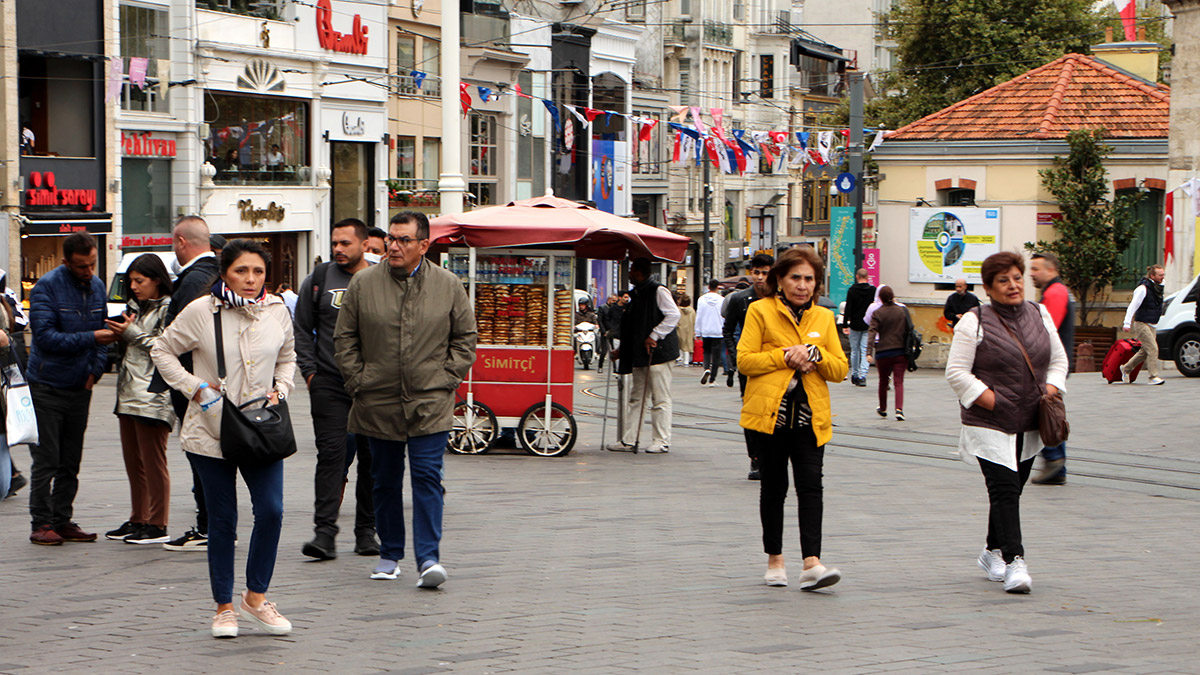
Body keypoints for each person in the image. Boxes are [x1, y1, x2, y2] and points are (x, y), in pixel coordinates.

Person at [152, 238, 296, 638]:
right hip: (210, 430)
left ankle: (255, 597)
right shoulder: (201, 310)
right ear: (225, 271)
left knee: (271, 510)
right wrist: (195, 387)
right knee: (223, 519)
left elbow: (288, 357)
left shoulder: (277, 310)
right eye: (241, 271)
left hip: (261, 427)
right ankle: (224, 607)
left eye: (258, 272)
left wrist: (281, 389)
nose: (250, 280)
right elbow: (162, 350)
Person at [334, 211, 477, 586]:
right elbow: (344, 338)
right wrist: (358, 380)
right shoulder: (364, 284)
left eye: (403, 241)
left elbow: (465, 338)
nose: (393, 247)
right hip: (376, 400)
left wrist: (446, 379)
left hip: (430, 400)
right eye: (391, 240)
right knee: (384, 479)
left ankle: (428, 558)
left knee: (428, 477)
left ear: (424, 245)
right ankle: (389, 554)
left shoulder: (448, 285)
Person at [945, 251, 1068, 594]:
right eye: (1003, 280)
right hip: (989, 422)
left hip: (1030, 419)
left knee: (1012, 488)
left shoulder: (1039, 313)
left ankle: (991, 551)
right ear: (988, 288)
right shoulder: (974, 321)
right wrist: (992, 400)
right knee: (1003, 487)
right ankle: (1015, 561)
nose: (1013, 285)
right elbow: (956, 372)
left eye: (1017, 278)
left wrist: (1051, 388)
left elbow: (1058, 359)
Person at [737, 246, 848, 590]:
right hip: (770, 416)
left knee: (811, 487)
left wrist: (814, 353)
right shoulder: (760, 311)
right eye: (795, 278)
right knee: (773, 488)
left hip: (810, 417)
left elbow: (840, 369)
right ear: (780, 280)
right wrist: (786, 356)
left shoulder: (824, 318)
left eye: (809, 279)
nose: (802, 285)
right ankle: (775, 560)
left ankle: (812, 562)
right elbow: (745, 360)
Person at [26, 233, 117, 546]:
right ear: (66, 262)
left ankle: (62, 519)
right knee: (47, 458)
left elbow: (104, 331)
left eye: (92, 264)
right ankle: (41, 522)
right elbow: (46, 338)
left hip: (80, 385)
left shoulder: (97, 287)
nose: (89, 272)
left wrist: (95, 370)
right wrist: (93, 339)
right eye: (81, 267)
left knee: (71, 460)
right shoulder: (47, 287)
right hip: (47, 385)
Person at [296, 218, 378, 560]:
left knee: (372, 461)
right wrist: (311, 374)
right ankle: (324, 534)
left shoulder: (380, 279)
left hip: (374, 387)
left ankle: (367, 533)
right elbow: (301, 328)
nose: (338, 249)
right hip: (329, 384)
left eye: (345, 243)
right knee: (332, 457)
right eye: (335, 243)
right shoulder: (319, 279)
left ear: (363, 244)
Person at [158, 216, 222, 552]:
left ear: (181, 241)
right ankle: (215, 524)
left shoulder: (194, 279)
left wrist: (185, 383)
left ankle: (210, 526)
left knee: (202, 452)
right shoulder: (216, 273)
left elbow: (178, 341)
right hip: (214, 379)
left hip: (196, 384)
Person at [103, 254, 176, 545]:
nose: (133, 286)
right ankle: (139, 517)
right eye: (130, 281)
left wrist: (131, 332)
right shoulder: (138, 307)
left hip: (153, 395)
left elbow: (165, 346)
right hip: (128, 393)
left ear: (156, 279)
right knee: (134, 462)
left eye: (139, 281)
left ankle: (158, 523)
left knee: (153, 462)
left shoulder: (169, 307)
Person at [606, 258, 680, 454]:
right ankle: (629, 439)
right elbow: (632, 327)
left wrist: (655, 335)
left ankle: (661, 440)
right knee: (637, 397)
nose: (629, 273)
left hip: (659, 354)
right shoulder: (636, 294)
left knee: (660, 398)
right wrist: (622, 350)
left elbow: (673, 314)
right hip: (640, 354)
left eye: (631, 270)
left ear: (639, 271)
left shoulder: (658, 290)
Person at [722, 253, 774, 481]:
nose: (760, 277)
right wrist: (736, 357)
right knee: (752, 411)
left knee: (773, 410)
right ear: (751, 273)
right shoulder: (740, 299)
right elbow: (728, 330)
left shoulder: (779, 298)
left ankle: (772, 457)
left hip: (774, 364)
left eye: (765, 273)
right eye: (756, 272)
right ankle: (755, 458)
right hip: (749, 364)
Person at [1029, 252, 1075, 485]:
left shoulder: (1055, 293)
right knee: (1048, 409)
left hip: (1051, 365)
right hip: (1055, 363)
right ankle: (1057, 466)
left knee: (1046, 411)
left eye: (1036, 269)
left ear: (1051, 270)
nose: (1031, 274)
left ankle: (1054, 457)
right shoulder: (1057, 291)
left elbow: (1046, 329)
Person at [867, 286, 910, 421]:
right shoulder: (901, 311)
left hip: (883, 352)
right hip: (900, 351)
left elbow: (872, 332)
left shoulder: (878, 313)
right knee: (898, 381)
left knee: (883, 382)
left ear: (880, 298)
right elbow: (909, 329)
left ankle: (883, 408)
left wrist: (869, 352)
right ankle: (899, 409)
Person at [1121, 264, 1165, 385]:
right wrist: (1127, 323)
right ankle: (1153, 377)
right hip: (1142, 323)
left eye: (1163, 275)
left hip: (1152, 324)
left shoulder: (1159, 287)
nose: (1162, 277)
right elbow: (1132, 306)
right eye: (1160, 275)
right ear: (1152, 276)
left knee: (1144, 352)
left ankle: (1125, 369)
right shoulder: (1143, 289)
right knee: (1153, 349)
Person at [843, 269, 875, 387]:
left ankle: (855, 374)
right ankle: (863, 376)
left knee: (854, 351)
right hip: (868, 324)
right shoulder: (873, 290)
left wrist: (845, 324)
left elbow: (848, 308)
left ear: (857, 277)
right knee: (865, 350)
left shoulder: (852, 290)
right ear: (867, 277)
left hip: (855, 324)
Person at [695, 279, 726, 387]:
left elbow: (698, 316)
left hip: (705, 330)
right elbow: (724, 316)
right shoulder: (722, 300)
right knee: (716, 355)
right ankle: (712, 379)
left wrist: (697, 331)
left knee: (706, 351)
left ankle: (706, 368)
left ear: (708, 287)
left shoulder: (701, 300)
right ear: (717, 287)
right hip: (718, 330)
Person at [675, 295, 695, 366]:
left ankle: (680, 358)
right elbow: (694, 321)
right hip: (689, 330)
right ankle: (686, 361)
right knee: (687, 346)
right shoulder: (692, 311)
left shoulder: (678, 310)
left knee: (680, 345)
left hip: (679, 330)